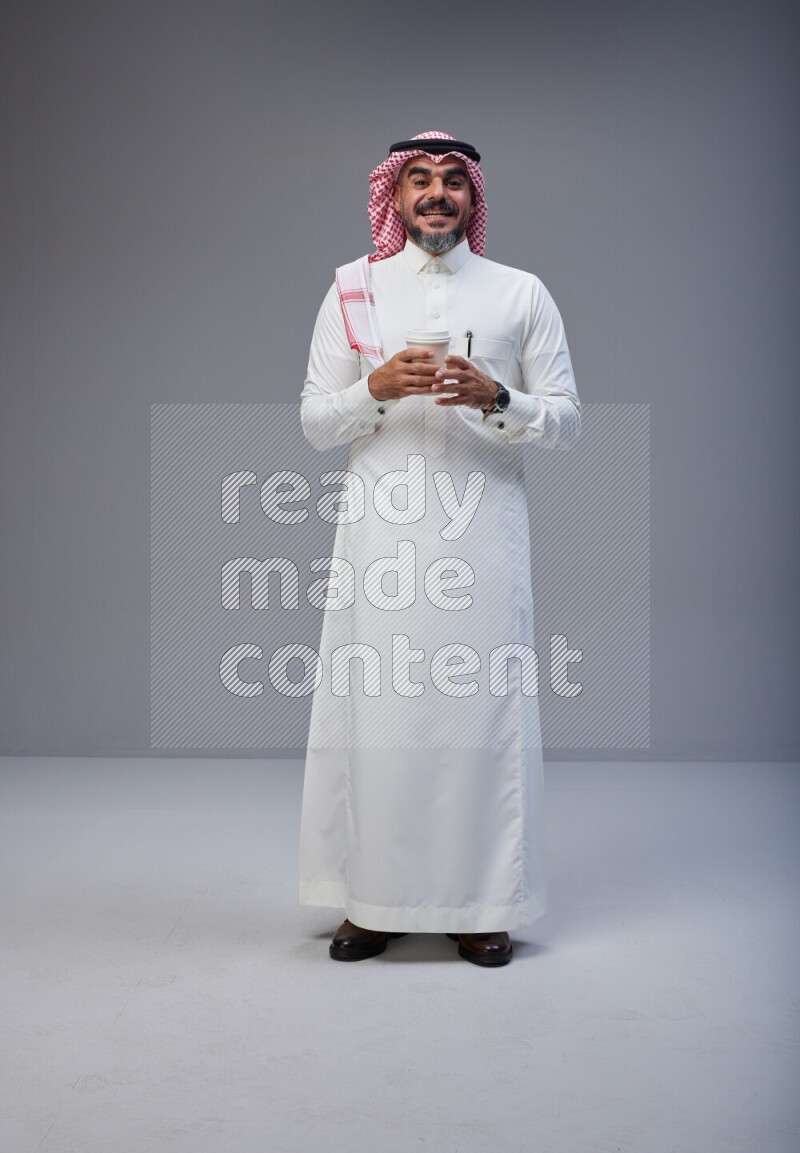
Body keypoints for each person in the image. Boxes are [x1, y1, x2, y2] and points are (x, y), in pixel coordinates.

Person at [297, 131, 581, 967]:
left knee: (477, 720)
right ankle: (372, 902)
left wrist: (499, 396)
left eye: (453, 182)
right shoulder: (353, 288)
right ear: (396, 194)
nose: (435, 194)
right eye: (418, 180)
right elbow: (315, 421)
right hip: (379, 540)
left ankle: (481, 903)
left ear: (473, 197)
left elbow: (566, 421)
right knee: (377, 717)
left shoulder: (520, 293)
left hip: (484, 540)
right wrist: (372, 390)